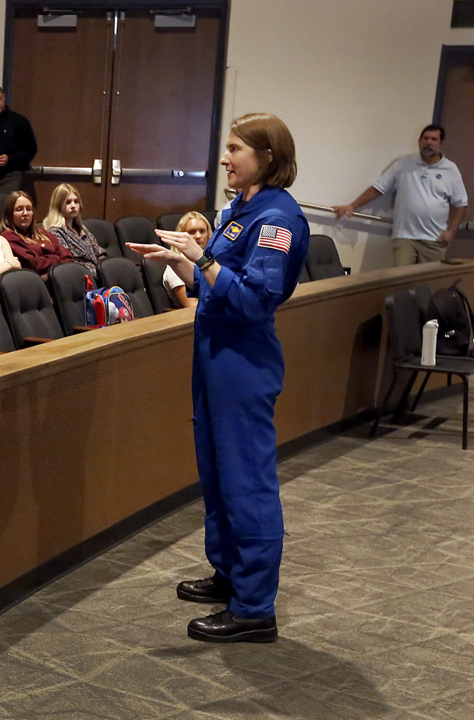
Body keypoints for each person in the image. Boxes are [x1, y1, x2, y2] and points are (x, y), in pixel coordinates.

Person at [126, 112, 310, 644]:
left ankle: (255, 607)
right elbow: (217, 284)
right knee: (217, 472)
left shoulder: (276, 220)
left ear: (267, 157)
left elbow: (253, 300)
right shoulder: (241, 211)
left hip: (242, 361)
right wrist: (181, 262)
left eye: (235, 149)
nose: (225, 158)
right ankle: (230, 574)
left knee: (246, 481)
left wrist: (202, 257)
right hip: (213, 354)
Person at [333, 125, 467, 266]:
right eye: (426, 138)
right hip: (405, 237)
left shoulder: (450, 169)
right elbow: (378, 189)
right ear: (419, 141)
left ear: (441, 143)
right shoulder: (404, 164)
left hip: (435, 239)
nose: (429, 142)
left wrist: (451, 232)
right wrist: (352, 205)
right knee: (401, 282)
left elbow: (461, 204)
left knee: (429, 285)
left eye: (434, 139)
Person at [0, 191, 74, 279]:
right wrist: (56, 258)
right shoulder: (8, 237)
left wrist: (46, 260)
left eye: (29, 209)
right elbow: (34, 264)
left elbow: (68, 257)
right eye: (19, 209)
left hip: (58, 278)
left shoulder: (43, 233)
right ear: (9, 214)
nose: (25, 213)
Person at [42, 184, 107, 274]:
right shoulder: (55, 232)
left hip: (98, 276)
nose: (73, 206)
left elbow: (101, 254)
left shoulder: (83, 230)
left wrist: (105, 270)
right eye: (68, 202)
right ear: (58, 205)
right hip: (80, 278)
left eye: (76, 202)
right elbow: (68, 263)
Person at [162, 212, 211, 309]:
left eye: (202, 231)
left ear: (208, 235)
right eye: (192, 232)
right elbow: (192, 306)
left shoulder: (211, 261)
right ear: (181, 236)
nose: (198, 236)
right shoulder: (176, 265)